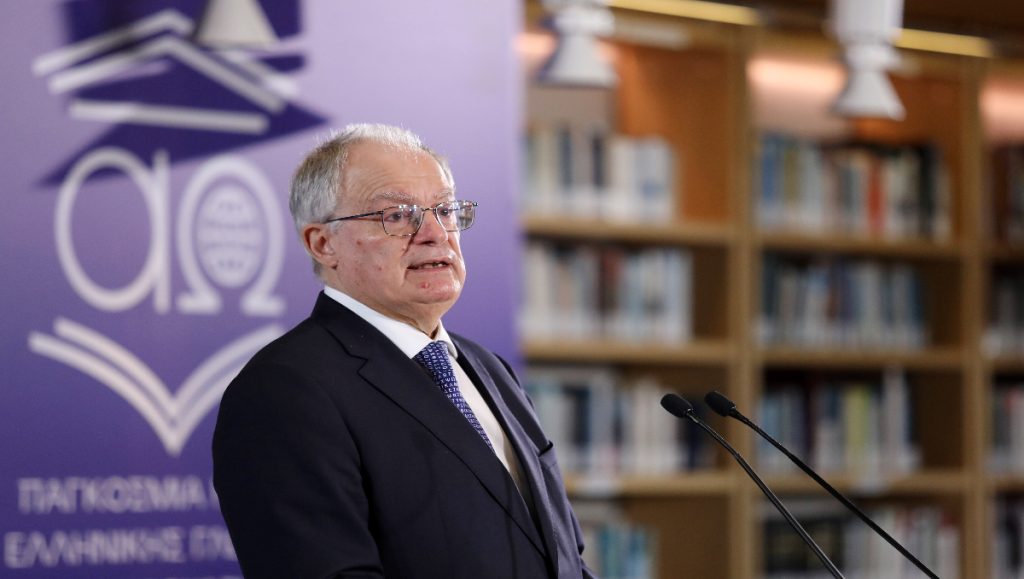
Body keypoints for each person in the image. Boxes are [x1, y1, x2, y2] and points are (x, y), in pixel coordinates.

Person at [212, 124, 595, 579]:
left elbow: (564, 559)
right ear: (323, 243)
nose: (435, 233)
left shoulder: (489, 369)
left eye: (446, 210)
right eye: (397, 216)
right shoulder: (284, 391)